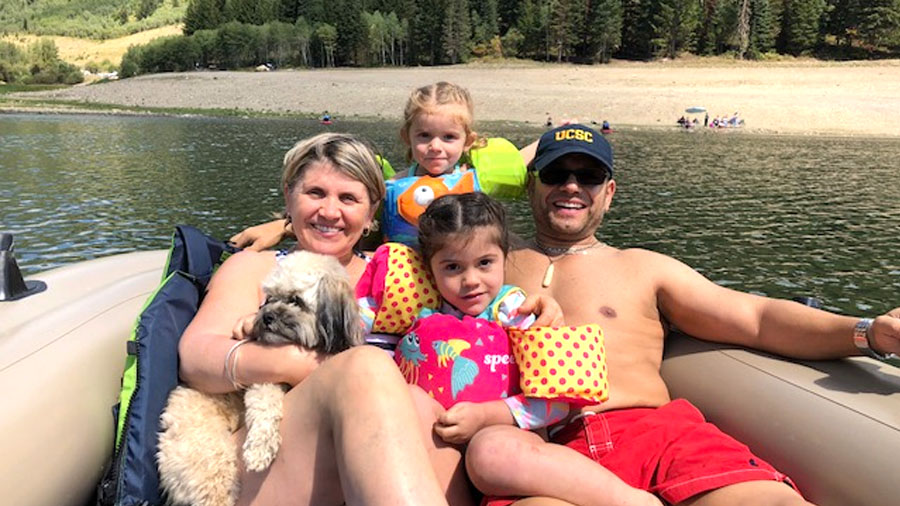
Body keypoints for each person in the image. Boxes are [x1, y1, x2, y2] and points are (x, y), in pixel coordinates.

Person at [464, 124, 900, 506]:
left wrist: (867, 332)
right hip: (538, 449)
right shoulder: (481, 265)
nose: (572, 187)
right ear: (531, 185)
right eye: (556, 174)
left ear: (609, 193)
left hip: (653, 432)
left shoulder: (644, 267)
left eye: (589, 176)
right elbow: (433, 194)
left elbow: (757, 318)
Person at [179, 132, 466, 505]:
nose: (330, 212)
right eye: (315, 193)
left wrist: (533, 303)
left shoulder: (406, 272)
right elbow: (196, 356)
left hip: (389, 457)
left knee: (425, 411)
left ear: (372, 211)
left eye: (348, 199)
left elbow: (485, 264)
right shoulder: (256, 268)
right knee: (366, 367)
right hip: (264, 453)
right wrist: (303, 365)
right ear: (289, 197)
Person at [357, 192, 660, 506]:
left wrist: (487, 415)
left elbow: (555, 405)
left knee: (489, 451)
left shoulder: (519, 314)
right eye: (453, 267)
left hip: (508, 444)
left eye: (484, 263)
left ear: (504, 257)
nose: (471, 280)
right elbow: (362, 344)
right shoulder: (411, 315)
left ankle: (631, 501)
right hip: (440, 446)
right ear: (429, 268)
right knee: (410, 401)